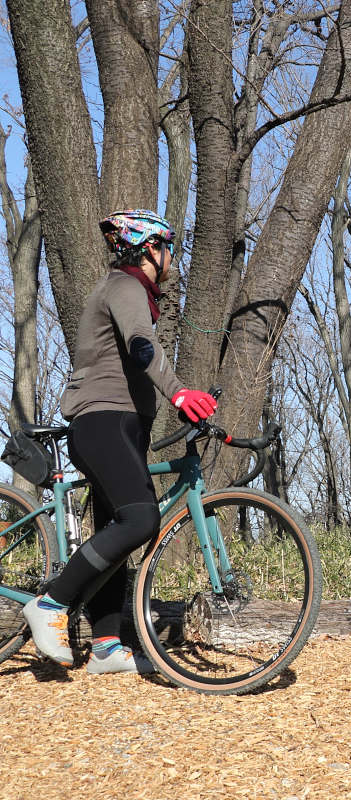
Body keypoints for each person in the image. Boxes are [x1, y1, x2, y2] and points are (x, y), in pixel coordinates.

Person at [22, 209, 218, 674]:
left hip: (123, 425)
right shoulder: (125, 287)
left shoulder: (136, 292)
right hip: (100, 422)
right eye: (168, 246)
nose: (172, 257)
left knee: (118, 526)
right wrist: (180, 392)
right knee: (140, 518)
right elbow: (140, 345)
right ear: (151, 248)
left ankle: (107, 643)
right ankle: (50, 603)